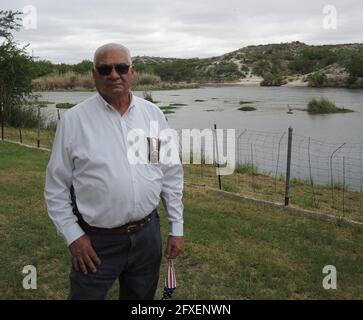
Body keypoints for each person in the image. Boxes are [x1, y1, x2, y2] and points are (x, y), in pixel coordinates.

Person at [44, 43, 184, 300]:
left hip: (147, 237)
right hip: (96, 243)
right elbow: (56, 187)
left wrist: (176, 226)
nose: (113, 74)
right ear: (94, 74)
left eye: (121, 67)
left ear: (132, 72)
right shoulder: (74, 120)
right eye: (105, 68)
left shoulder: (152, 115)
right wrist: (74, 236)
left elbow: (169, 172)